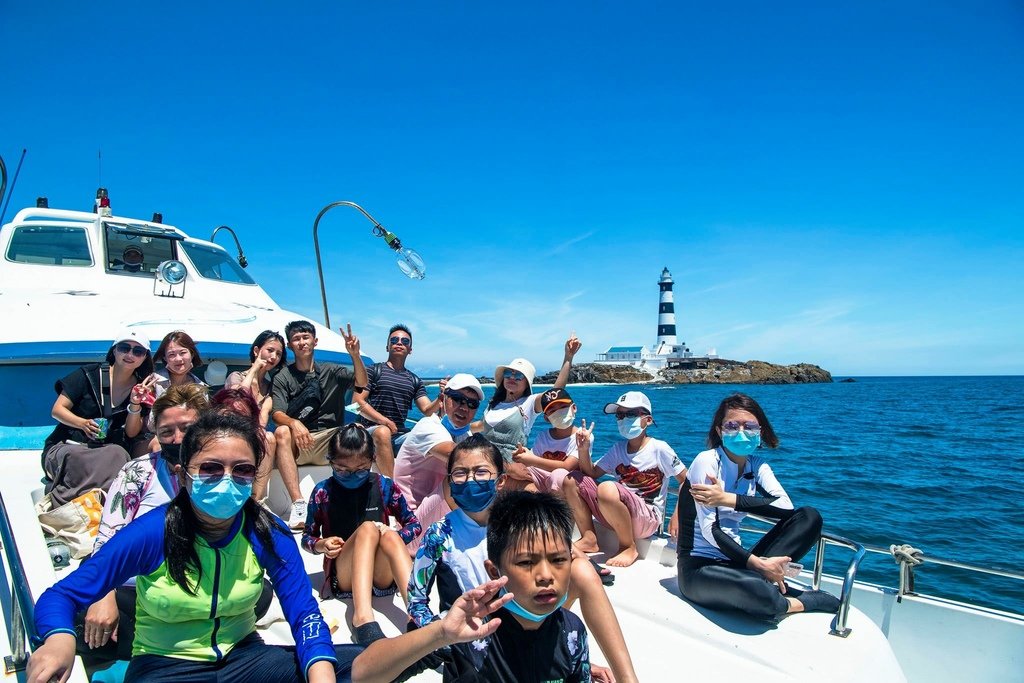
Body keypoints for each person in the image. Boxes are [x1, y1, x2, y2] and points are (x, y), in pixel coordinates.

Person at [28, 412, 361, 683]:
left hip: (245, 657)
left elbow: (304, 614)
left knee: (365, 662)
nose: (227, 479)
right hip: (163, 666)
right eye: (211, 468)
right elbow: (60, 596)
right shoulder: (153, 531)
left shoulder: (267, 531)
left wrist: (320, 673)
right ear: (183, 475)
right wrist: (59, 640)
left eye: (242, 470)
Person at [409, 435, 634, 682]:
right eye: (461, 474)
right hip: (470, 633)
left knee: (583, 571)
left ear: (501, 480)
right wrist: (446, 638)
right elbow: (416, 599)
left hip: (526, 618)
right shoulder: (439, 535)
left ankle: (625, 678)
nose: (471, 480)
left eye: (481, 472)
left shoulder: (521, 525)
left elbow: (566, 557)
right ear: (450, 481)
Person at [672, 393, 840, 620]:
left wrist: (727, 499)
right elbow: (711, 531)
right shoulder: (707, 461)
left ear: (760, 431)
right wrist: (758, 564)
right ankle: (798, 601)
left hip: (736, 561)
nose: (741, 432)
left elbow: (786, 508)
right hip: (698, 567)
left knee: (810, 517)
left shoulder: (757, 465)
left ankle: (767, 583)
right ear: (720, 431)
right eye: (732, 425)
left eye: (749, 426)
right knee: (757, 591)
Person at [76, 384, 210, 661]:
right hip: (138, 591)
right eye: (167, 432)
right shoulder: (138, 471)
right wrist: (104, 595)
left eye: (187, 428)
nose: (178, 438)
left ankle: (157, 643)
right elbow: (108, 535)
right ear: (156, 435)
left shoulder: (223, 471)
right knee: (84, 607)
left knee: (261, 595)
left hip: (202, 590)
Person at [443, 490, 593, 681]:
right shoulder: (468, 632)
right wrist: (440, 635)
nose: (546, 576)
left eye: (558, 559)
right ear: (495, 572)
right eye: (526, 562)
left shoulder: (573, 630)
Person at [300, 424, 420, 645]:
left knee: (391, 535)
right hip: (345, 575)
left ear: (372, 461)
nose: (351, 476)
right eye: (342, 469)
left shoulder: (385, 487)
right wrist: (322, 544)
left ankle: (417, 613)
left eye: (362, 469)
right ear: (330, 462)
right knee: (368, 528)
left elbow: (413, 525)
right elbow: (307, 538)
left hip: (381, 576)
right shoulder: (322, 492)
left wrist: (391, 535)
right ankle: (362, 618)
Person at [563, 391, 686, 567]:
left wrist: (677, 515)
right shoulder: (617, 449)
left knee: (606, 488)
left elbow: (686, 480)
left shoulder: (660, 448)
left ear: (648, 420)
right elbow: (589, 474)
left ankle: (628, 546)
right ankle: (589, 538)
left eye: (630, 414)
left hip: (647, 518)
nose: (623, 419)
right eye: (620, 415)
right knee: (572, 479)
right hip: (616, 514)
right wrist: (583, 449)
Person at [40, 329, 155, 507]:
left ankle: (96, 507)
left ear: (144, 358)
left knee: (119, 454)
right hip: (68, 445)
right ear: (114, 350)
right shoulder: (88, 374)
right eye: (124, 348)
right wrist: (82, 423)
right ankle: (68, 501)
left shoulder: (140, 388)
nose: (130, 354)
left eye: (137, 351)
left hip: (104, 452)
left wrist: (135, 403)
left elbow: (132, 433)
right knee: (76, 457)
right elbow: (57, 410)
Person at [272, 321, 367, 528]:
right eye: (296, 339)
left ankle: (359, 499)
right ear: (290, 345)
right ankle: (298, 503)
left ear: (315, 341)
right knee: (281, 431)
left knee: (356, 432)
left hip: (329, 440)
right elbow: (277, 413)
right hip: (299, 443)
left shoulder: (332, 371)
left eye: (306, 337)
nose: (302, 342)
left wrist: (355, 355)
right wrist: (294, 422)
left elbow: (361, 383)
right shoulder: (283, 377)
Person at [473, 333, 582, 486]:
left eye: (518, 375)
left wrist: (568, 358)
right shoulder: (494, 405)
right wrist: (449, 423)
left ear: (527, 383)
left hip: (512, 468)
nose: (512, 377)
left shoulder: (529, 403)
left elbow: (555, 393)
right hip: (485, 462)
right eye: (508, 373)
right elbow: (480, 425)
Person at [392, 373, 484, 546]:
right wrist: (507, 466)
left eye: (472, 404)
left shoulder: (464, 435)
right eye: (458, 399)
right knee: (461, 475)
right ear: (443, 399)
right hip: (411, 529)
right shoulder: (428, 426)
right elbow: (458, 455)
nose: (464, 407)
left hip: (441, 521)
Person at [353, 324, 443, 478]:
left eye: (405, 341)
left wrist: (441, 397)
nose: (399, 343)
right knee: (383, 432)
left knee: (432, 437)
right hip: (370, 434)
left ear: (410, 349)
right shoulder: (373, 371)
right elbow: (357, 403)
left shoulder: (414, 380)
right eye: (394, 340)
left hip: (398, 436)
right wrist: (384, 421)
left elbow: (427, 409)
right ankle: (393, 489)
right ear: (387, 347)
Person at [225, 330, 287, 502]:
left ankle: (256, 500)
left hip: (254, 435)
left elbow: (262, 420)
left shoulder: (270, 388)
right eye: (270, 350)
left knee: (269, 437)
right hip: (231, 431)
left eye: (279, 354)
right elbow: (238, 401)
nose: (274, 356)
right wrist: (254, 368)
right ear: (256, 350)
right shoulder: (236, 376)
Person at [511, 387, 587, 494]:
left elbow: (567, 467)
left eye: (563, 407)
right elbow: (533, 463)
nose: (559, 412)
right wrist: (522, 457)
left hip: (568, 484)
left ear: (574, 408)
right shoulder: (543, 436)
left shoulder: (583, 436)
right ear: (546, 418)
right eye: (552, 410)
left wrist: (530, 459)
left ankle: (553, 508)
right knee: (513, 470)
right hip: (545, 480)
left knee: (557, 475)